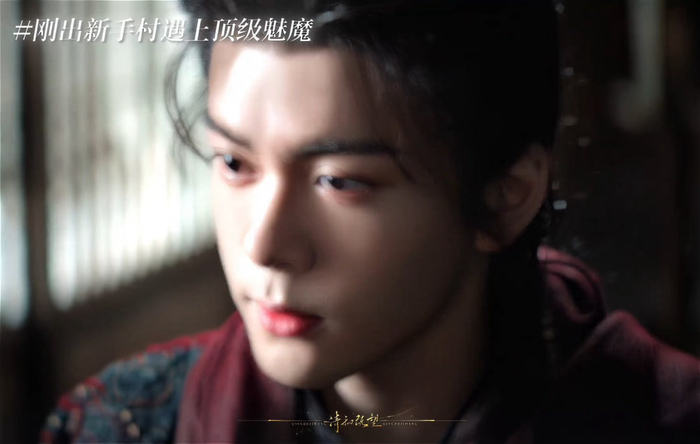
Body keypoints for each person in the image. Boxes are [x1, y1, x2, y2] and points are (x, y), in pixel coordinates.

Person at [42, 1, 700, 443]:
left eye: (340, 181)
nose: (264, 244)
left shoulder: (666, 420)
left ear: (505, 197)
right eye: (235, 163)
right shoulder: (116, 425)